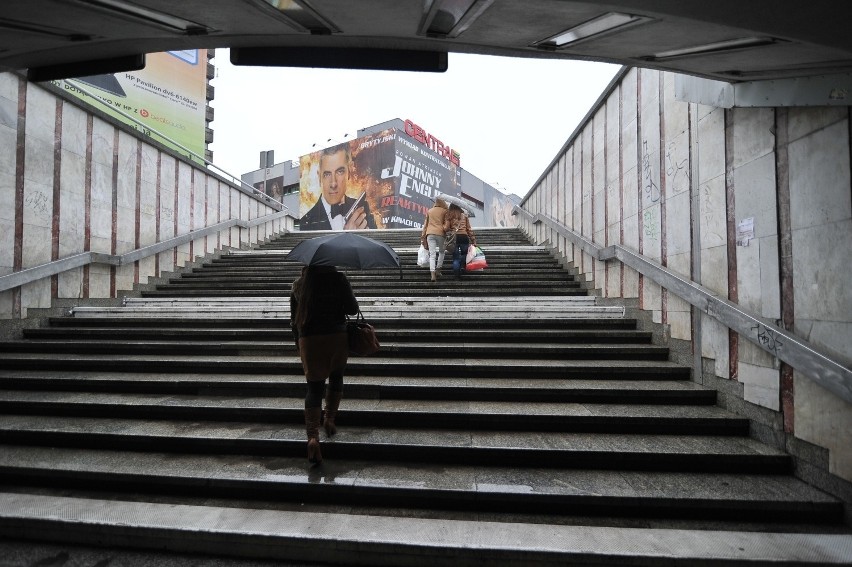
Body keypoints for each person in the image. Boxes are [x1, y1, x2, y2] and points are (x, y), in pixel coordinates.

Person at [290, 264, 359, 465]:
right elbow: (352, 310)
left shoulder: (298, 284)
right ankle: (329, 419)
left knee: (314, 387)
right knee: (336, 377)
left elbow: (294, 322)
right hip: (336, 337)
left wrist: (299, 345)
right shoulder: (339, 279)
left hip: (309, 341)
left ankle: (312, 437)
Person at [300, 143, 377, 231]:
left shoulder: (363, 209)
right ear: (319, 177)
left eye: (340, 172)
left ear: (349, 171)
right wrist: (348, 237)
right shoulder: (305, 223)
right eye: (327, 174)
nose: (333, 184)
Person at [419, 198, 449, 282]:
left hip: (430, 233)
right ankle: (438, 270)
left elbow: (425, 225)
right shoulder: (445, 211)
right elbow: (446, 226)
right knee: (442, 252)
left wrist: (423, 236)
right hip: (440, 233)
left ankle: (432, 274)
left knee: (432, 254)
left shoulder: (430, 211)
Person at [445, 203, 476, 279]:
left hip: (454, 237)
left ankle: (456, 274)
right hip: (464, 237)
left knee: (455, 257)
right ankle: (462, 265)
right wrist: (473, 240)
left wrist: (451, 229)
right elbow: (468, 229)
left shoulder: (449, 215)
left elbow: (446, 228)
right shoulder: (464, 215)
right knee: (464, 254)